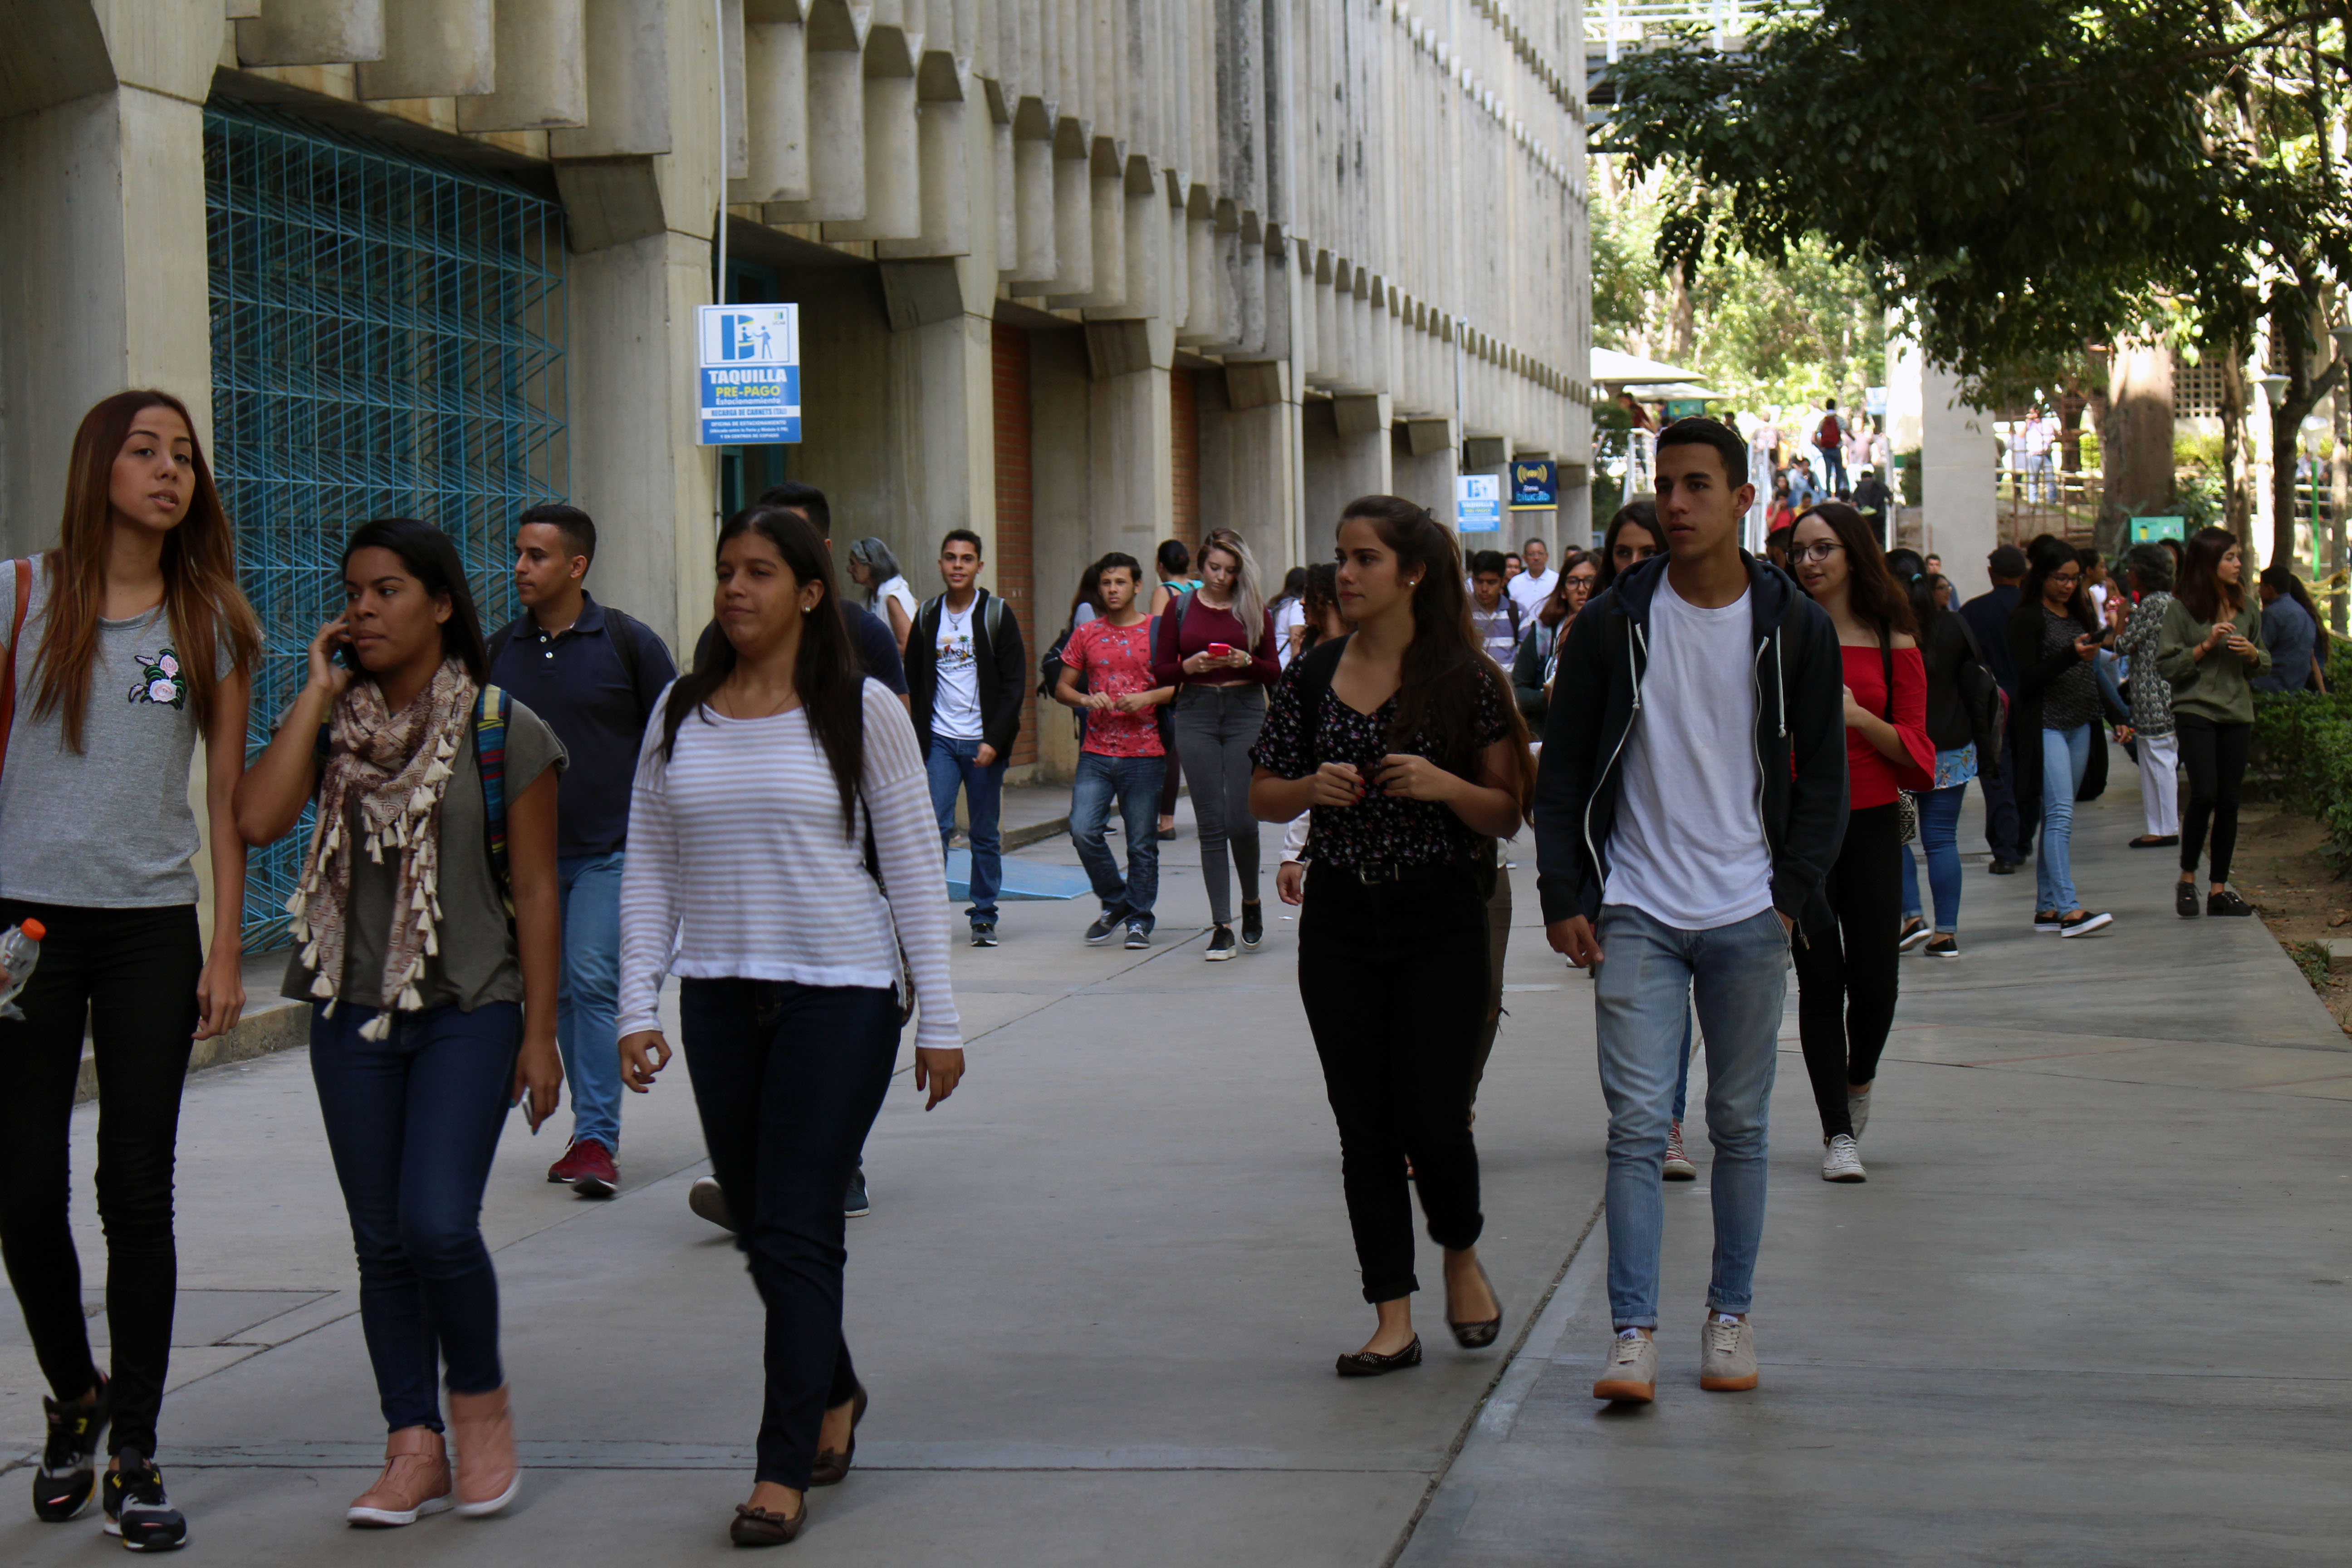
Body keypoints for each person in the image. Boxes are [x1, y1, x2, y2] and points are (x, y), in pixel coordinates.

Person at [612, 507, 965, 1547]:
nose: (735, 588)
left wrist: (936, 1016)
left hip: (842, 993)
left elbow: (910, 866)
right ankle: (838, 1383)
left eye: (759, 571)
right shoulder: (681, 710)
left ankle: (781, 1462)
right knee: (764, 1223)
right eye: (725, 570)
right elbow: (650, 866)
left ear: (811, 591)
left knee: (800, 1221)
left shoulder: (863, 711)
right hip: (719, 993)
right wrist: (636, 1000)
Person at [235, 518, 567, 1529]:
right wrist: (318, 690)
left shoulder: (504, 726)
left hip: (473, 1005)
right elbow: (257, 818)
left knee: (436, 1223)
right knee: (381, 1243)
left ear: (437, 603)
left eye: (386, 592)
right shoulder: (338, 727)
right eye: (353, 593)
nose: (363, 610)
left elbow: (542, 887)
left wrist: (542, 1033)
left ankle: (479, 1409)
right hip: (353, 1009)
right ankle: (409, 1446)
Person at [1534, 418, 1846, 1404]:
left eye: (1699, 485)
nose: (1676, 503)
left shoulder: (1793, 624)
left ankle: (1730, 1318)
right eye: (1665, 484)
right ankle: (1633, 1336)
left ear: (1745, 501)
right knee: (1637, 1128)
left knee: (1740, 1128)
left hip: (1749, 912)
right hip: (1635, 906)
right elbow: (1567, 771)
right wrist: (1563, 893)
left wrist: (1788, 897)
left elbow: (1826, 779)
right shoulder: (1614, 623)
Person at [3, 392, 260, 1552]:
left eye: (185, 457)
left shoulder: (208, 619)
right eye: (146, 451)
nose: (170, 471)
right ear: (97, 463)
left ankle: (139, 1445)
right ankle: (75, 1394)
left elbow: (224, 803)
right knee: (20, 1190)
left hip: (153, 927)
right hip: (25, 933)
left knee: (135, 1190)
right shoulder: (18, 597)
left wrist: (222, 946)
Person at [1249, 496, 1530, 1377]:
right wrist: (1309, 790)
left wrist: (1445, 785)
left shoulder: (1467, 681)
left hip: (1440, 918)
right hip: (1340, 922)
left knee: (1436, 1122)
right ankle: (1392, 1317)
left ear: (1412, 572)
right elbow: (1262, 790)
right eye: (1342, 556)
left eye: (1366, 557)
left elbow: (1507, 811)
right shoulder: (1313, 672)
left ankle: (1459, 1254)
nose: (1348, 573)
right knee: (1364, 1126)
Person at [488, 503, 678, 1200]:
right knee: (555, 988)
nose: (519, 568)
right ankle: (581, 1127)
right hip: (526, 864)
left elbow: (676, 738)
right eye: (518, 553)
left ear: (576, 566)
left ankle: (596, 1138)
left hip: (612, 851)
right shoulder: (498, 649)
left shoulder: (628, 643)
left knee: (591, 976)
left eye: (536, 556)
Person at [1786, 505, 1932, 1183]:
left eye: (1824, 549)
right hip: (1801, 831)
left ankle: (1860, 1078)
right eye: (1799, 551)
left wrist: (1854, 715)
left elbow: (1918, 751)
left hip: (1873, 822)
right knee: (1820, 982)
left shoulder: (1891, 639)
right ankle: (1837, 1135)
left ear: (1854, 555)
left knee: (1876, 984)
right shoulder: (1781, 634)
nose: (1810, 562)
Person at [1154, 530, 1279, 960]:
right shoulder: (1180, 607)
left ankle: (1252, 902)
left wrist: (1247, 660)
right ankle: (1222, 924)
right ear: (1201, 565)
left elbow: (1274, 671)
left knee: (1242, 821)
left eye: (1230, 570)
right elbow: (1161, 671)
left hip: (1245, 709)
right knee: (1211, 822)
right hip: (1196, 711)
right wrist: (1189, 666)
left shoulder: (1254, 609)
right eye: (1214, 568)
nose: (1222, 577)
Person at [903, 529, 1027, 947]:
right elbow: (913, 680)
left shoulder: (996, 614)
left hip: (982, 742)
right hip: (938, 739)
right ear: (940, 564)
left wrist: (995, 738)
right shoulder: (927, 616)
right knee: (932, 826)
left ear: (979, 566)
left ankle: (984, 914)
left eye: (967, 559)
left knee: (984, 833)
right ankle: (927, 912)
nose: (958, 565)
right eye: (951, 558)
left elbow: (1015, 683)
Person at [1055, 554, 1174, 949]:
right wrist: (1087, 701)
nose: (1112, 590)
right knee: (1083, 829)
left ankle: (1139, 918)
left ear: (1137, 587)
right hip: (1097, 751)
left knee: (1141, 843)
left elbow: (1179, 685)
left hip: (1145, 753)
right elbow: (1062, 687)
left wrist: (1146, 699)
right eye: (1106, 583)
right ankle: (1117, 900)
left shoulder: (1158, 631)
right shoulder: (1086, 633)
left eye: (1120, 583)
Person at [2156, 528, 2270, 918]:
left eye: (2239, 557)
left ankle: (2219, 890)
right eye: (2230, 558)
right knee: (2204, 793)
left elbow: (2262, 664)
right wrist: (2205, 646)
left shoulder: (2249, 607)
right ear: (2208, 563)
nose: (2238, 564)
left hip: (2237, 712)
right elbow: (2168, 665)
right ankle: (2188, 879)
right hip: (2195, 710)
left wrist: (2253, 654)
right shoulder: (2182, 608)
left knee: (2229, 800)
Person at [2006, 538, 2115, 936]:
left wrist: (2118, 714)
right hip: (2047, 723)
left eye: (2076, 579)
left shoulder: (2078, 612)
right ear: (2042, 576)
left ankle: (2048, 907)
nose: (2069, 586)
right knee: (2061, 814)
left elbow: (2093, 673)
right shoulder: (2028, 618)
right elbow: (2026, 678)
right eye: (2061, 578)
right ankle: (2069, 908)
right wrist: (2070, 655)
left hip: (2080, 721)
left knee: (2057, 815)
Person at [1900, 572, 1991, 958]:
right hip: (1951, 752)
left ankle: (1912, 917)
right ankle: (1946, 933)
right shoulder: (1953, 625)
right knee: (1941, 840)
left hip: (1898, 752)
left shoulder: (1886, 631)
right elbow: (1976, 679)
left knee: (1897, 838)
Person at [1962, 544, 2031, 872]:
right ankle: (2023, 839)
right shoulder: (2032, 609)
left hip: (1991, 703)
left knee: (1998, 771)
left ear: (1991, 572)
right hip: (2031, 699)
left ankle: (2005, 848)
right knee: (2029, 770)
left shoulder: (1973, 613)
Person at [2116, 544, 2180, 849]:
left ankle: (2165, 827)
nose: (2128, 574)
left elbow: (2123, 644)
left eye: (2131, 569)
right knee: (2155, 759)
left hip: (2154, 694)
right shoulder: (2166, 602)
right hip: (2157, 692)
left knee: (2159, 759)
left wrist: (2121, 617)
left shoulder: (2154, 604)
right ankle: (2158, 825)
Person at [1150, 539, 1203, 838]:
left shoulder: (1165, 592)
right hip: (1201, 671)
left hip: (1176, 674)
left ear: (1160, 566)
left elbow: (1157, 636)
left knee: (1170, 747)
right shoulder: (1198, 588)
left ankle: (1166, 821)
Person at [1510, 549, 1594, 725]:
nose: (1581, 589)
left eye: (1590, 581)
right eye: (1573, 582)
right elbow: (1518, 690)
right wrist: (1547, 697)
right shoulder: (1543, 633)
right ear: (1563, 591)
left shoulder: (1615, 630)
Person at [2254, 564, 2324, 694]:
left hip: (2269, 686)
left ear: (2270, 588)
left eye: (2261, 586)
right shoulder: (2304, 614)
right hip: (2298, 687)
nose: (2259, 590)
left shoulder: (2273, 614)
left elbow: (2258, 652)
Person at [846, 537, 919, 652]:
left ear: (869, 566)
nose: (849, 569)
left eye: (854, 564)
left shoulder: (892, 598)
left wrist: (872, 650)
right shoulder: (871, 595)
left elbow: (907, 646)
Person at [1467, 550, 1524, 666]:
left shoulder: (1518, 613)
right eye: (1479, 582)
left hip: (1508, 682)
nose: (1484, 589)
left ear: (1502, 582)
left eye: (1491, 583)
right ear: (1473, 580)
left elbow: (1527, 658)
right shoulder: (1462, 613)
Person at [1270, 565, 1310, 669]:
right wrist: (1294, 669)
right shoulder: (1297, 606)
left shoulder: (1277, 605)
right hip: (1286, 665)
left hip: (1276, 662)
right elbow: (1296, 641)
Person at [1506, 536, 1556, 619]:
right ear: (1525, 558)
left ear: (1547, 556)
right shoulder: (1515, 582)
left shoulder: (1556, 580)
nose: (1536, 558)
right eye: (1531, 554)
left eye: (1540, 554)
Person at [1814, 400, 1847, 494]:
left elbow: (1816, 434)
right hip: (1836, 449)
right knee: (1839, 472)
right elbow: (1846, 429)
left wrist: (1820, 446)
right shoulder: (1838, 419)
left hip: (1826, 450)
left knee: (1828, 472)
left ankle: (1828, 494)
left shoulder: (1823, 420)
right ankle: (1837, 493)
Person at [1852, 465, 1893, 538]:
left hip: (1865, 517)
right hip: (1879, 515)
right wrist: (1890, 504)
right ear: (1872, 477)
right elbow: (1891, 497)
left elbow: (1854, 503)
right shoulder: (1879, 485)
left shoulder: (1859, 488)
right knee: (1879, 536)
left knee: (1866, 536)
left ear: (1863, 478)